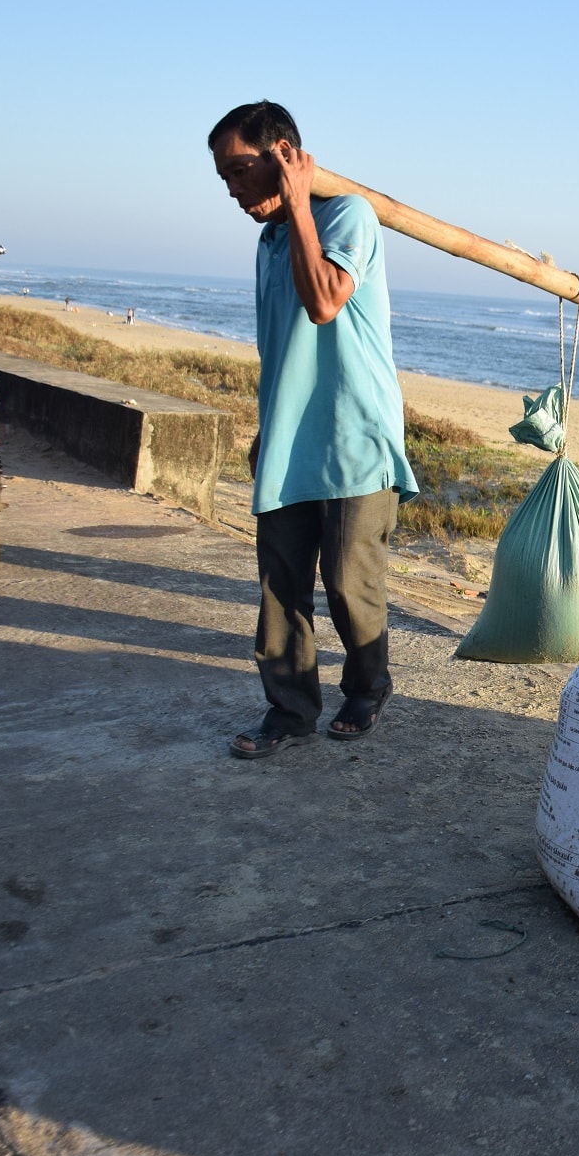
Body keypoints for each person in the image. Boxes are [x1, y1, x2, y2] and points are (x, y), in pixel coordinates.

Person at [209, 101, 418, 759]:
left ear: (284, 158)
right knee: (281, 581)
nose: (233, 189)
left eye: (241, 170)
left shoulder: (347, 214)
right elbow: (281, 346)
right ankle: (290, 709)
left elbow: (325, 301)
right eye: (224, 178)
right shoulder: (269, 241)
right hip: (291, 440)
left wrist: (302, 204)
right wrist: (267, 426)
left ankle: (367, 687)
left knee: (350, 581)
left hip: (355, 433)